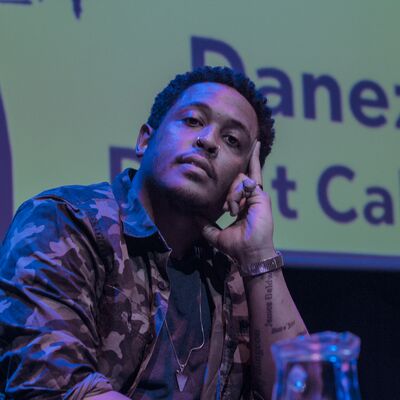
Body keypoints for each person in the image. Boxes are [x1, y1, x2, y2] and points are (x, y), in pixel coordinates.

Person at [0, 66, 307, 400]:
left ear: (244, 179)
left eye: (232, 140)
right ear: (145, 140)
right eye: (192, 121)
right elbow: (55, 387)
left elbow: (307, 391)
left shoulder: (229, 275)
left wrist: (259, 255)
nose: (207, 141)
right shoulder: (65, 221)